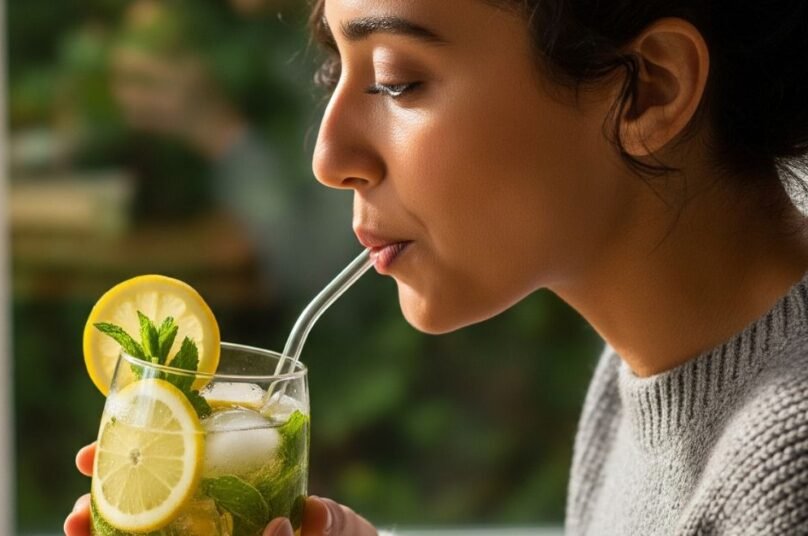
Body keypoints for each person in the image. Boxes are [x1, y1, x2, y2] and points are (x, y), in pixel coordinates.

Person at [67, 0, 808, 534]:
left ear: (651, 89)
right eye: (335, 70)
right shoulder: (647, 373)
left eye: (395, 81)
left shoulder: (785, 469)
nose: (329, 159)